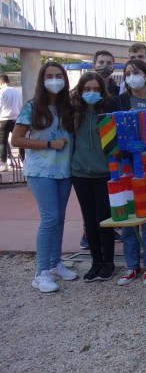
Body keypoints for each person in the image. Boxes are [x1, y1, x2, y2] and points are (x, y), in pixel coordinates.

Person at [12, 62, 78, 292]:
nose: (54, 80)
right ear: (42, 80)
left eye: (59, 75)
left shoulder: (68, 108)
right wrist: (49, 144)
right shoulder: (32, 107)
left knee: (59, 218)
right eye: (49, 76)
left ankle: (55, 263)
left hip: (64, 171)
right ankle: (41, 273)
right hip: (40, 170)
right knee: (49, 217)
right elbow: (16, 139)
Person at [110, 59, 146, 286]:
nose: (132, 76)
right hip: (126, 168)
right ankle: (132, 265)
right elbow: (110, 132)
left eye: (136, 72)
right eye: (128, 73)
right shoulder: (119, 101)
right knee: (129, 216)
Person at [71, 72, 117, 282]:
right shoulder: (73, 112)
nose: (91, 93)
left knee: (104, 219)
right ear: (81, 90)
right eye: (87, 89)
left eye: (96, 89)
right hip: (80, 173)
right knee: (88, 220)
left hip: (104, 173)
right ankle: (96, 261)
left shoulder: (109, 111)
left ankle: (108, 262)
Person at [0, 74, 22, 172]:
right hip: (16, 119)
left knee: (3, 142)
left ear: (1, 82)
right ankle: (23, 161)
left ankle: (4, 163)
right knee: (20, 140)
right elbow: (21, 105)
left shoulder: (2, 92)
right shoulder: (17, 92)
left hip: (3, 119)